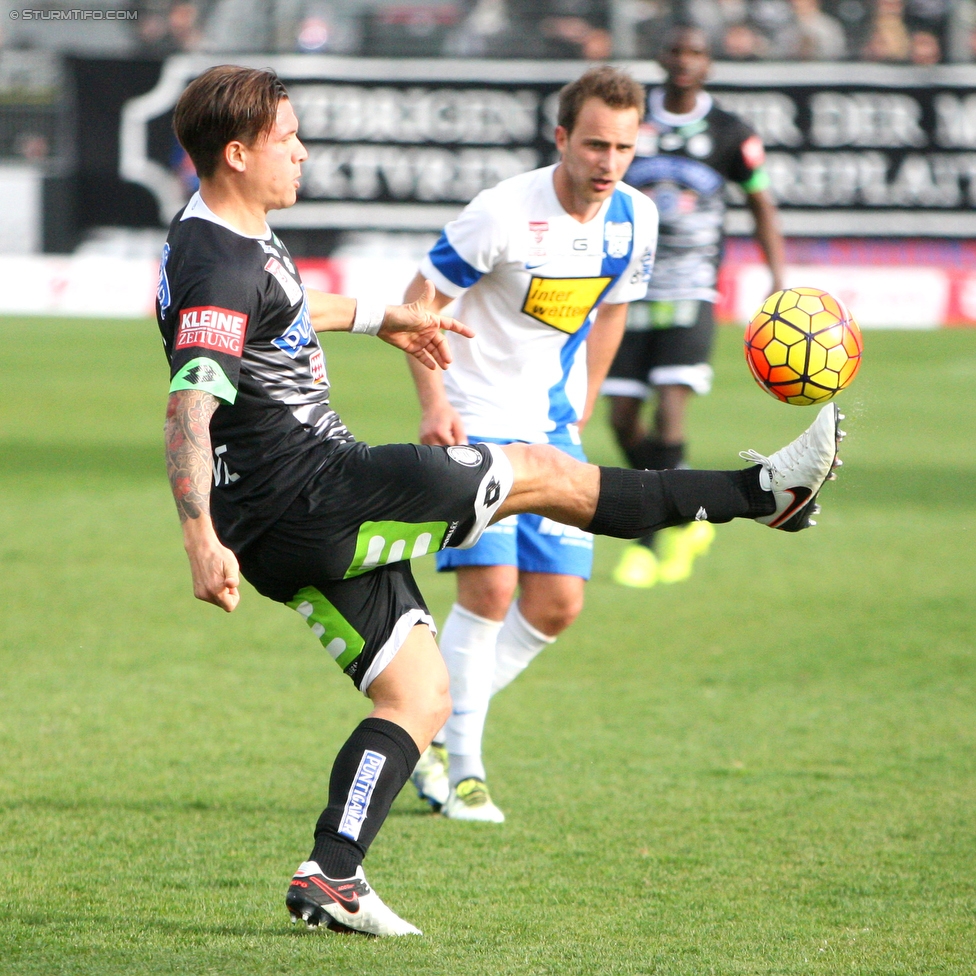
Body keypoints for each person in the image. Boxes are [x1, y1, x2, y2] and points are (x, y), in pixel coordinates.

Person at [159, 64, 842, 938]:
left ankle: (332, 873)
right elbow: (190, 401)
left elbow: (280, 307)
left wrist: (382, 316)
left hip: (280, 521)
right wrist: (196, 538)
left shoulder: (225, 231)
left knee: (419, 693)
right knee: (545, 476)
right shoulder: (218, 258)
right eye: (288, 139)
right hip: (312, 492)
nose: (302, 151)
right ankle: (763, 494)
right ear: (238, 151)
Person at [403, 66, 657, 824]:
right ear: (561, 139)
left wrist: (584, 399)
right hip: (475, 416)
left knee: (556, 605)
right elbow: (418, 303)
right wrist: (435, 405)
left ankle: (431, 728)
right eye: (593, 145)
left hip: (550, 425)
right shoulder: (502, 212)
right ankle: (467, 772)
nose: (607, 162)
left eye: (622, 147)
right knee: (490, 589)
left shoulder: (635, 218)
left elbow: (612, 310)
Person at [603, 23, 786, 589]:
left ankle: (656, 537)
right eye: (676, 51)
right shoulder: (631, 119)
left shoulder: (731, 132)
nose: (685, 61)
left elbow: (760, 203)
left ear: (708, 64)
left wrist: (777, 279)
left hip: (691, 290)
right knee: (622, 418)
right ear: (660, 57)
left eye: (696, 53)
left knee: (669, 412)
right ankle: (680, 516)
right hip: (629, 289)